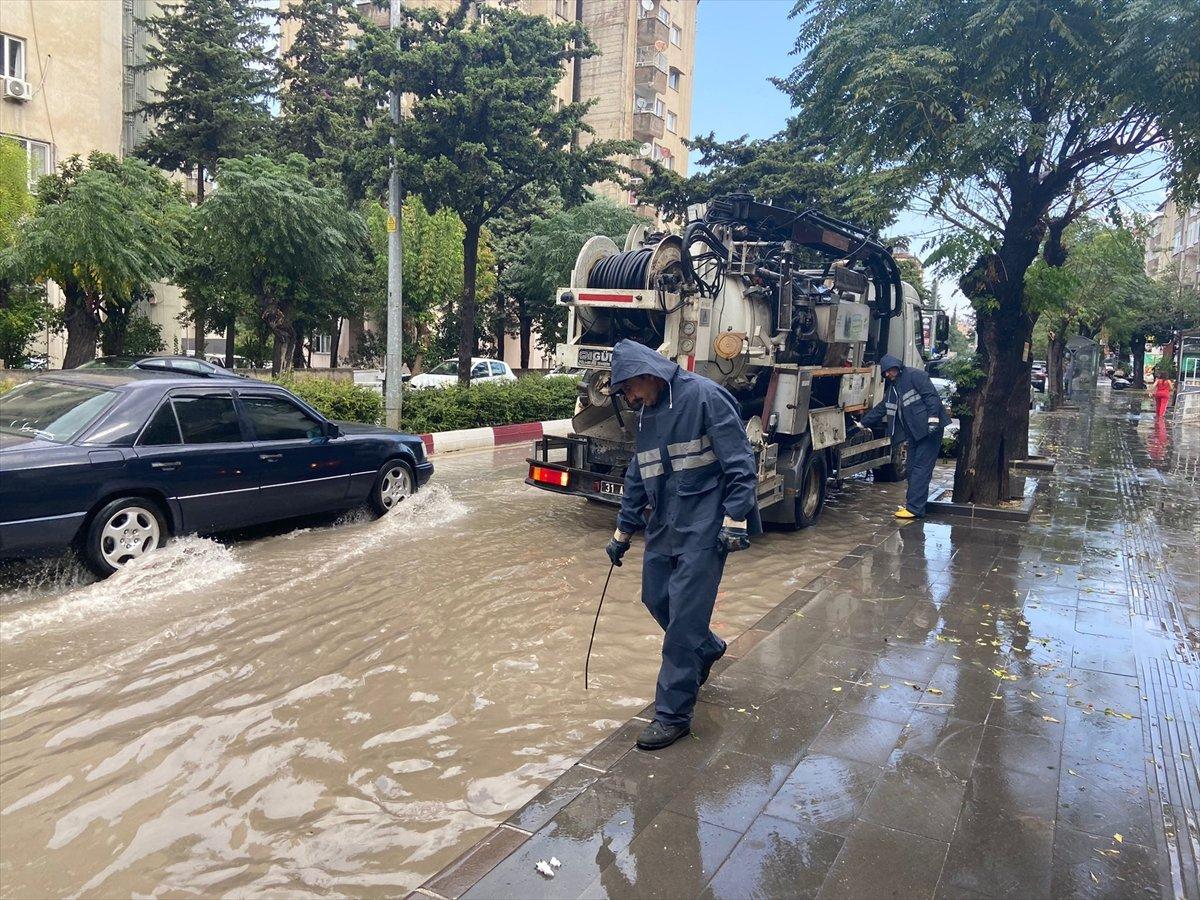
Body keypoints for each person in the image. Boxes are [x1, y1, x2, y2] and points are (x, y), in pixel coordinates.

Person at [603, 339, 760, 751]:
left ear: (646, 374)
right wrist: (622, 531)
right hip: (664, 528)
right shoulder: (647, 415)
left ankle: (672, 716)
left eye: (629, 389)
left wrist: (735, 517)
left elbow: (741, 461)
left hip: (704, 529)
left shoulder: (706, 397)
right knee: (655, 598)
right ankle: (705, 648)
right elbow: (639, 474)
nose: (629, 398)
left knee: (681, 628)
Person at [861, 353, 951, 520]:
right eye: (885, 373)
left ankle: (914, 509)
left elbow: (931, 397)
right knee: (911, 469)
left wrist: (933, 420)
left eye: (888, 371)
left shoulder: (915, 376)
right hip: (915, 434)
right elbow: (882, 408)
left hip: (929, 431)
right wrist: (862, 423)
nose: (887, 375)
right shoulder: (894, 388)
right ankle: (915, 505)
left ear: (896, 367)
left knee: (920, 470)